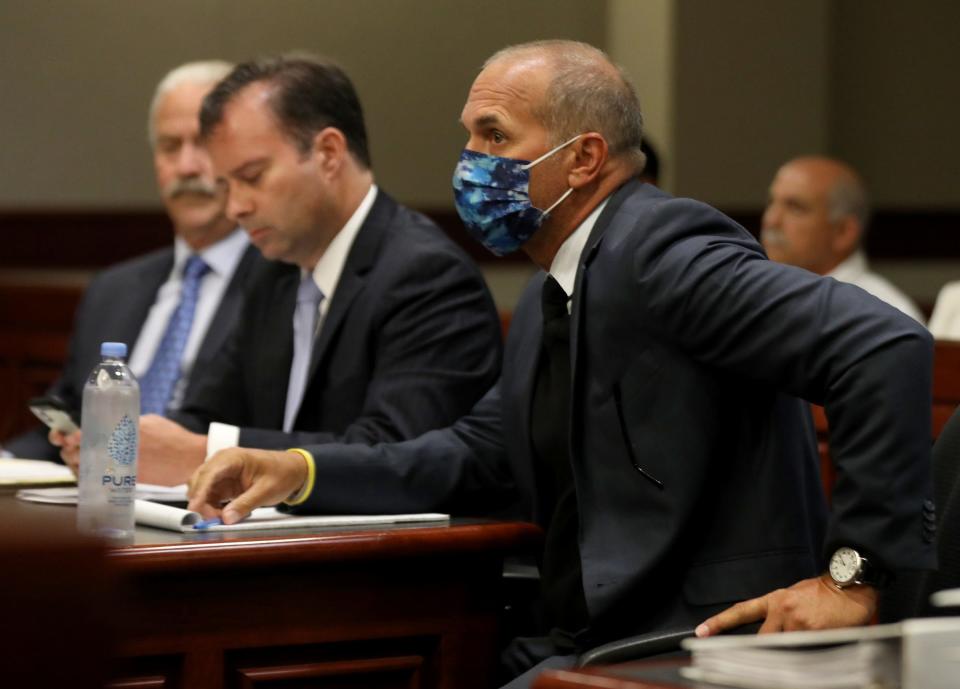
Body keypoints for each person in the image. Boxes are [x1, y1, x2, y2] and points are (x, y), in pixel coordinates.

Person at [187, 41, 935, 687]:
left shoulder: (660, 249)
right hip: (584, 637)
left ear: (582, 159)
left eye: (494, 136)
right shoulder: (558, 282)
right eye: (468, 137)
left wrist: (855, 574)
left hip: (697, 643)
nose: (471, 163)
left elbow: (884, 344)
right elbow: (475, 449)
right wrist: (298, 469)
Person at [54, 55, 503, 486]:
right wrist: (136, 443)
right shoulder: (274, 272)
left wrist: (207, 453)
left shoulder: (426, 274)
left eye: (252, 177)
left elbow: (396, 452)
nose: (236, 207)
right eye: (225, 185)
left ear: (328, 153)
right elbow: (207, 413)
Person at [4, 60, 263, 463]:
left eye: (204, 145)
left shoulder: (283, 284)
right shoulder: (114, 289)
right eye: (170, 146)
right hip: (94, 503)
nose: (187, 167)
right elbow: (59, 427)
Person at [762, 156, 925, 323]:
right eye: (771, 202)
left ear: (843, 232)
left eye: (795, 208)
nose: (771, 220)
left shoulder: (887, 317)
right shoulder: (758, 296)